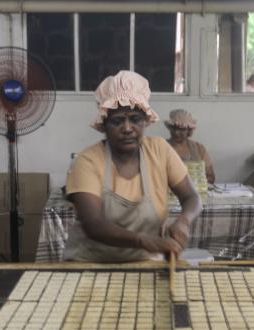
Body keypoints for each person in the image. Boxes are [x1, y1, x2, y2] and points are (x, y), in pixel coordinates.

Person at [63, 70, 202, 262]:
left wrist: (183, 221)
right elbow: (93, 224)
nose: (127, 128)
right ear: (104, 125)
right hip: (92, 262)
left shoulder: (160, 150)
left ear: (145, 121)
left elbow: (191, 196)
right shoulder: (88, 161)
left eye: (135, 119)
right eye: (118, 121)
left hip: (144, 262)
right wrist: (142, 240)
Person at [164, 109, 216, 184]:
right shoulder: (161, 147)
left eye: (181, 129)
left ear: (189, 130)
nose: (176, 132)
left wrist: (196, 183)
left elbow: (210, 177)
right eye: (174, 128)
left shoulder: (199, 149)